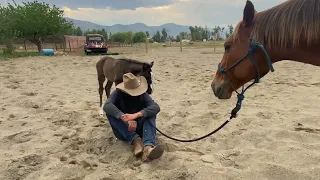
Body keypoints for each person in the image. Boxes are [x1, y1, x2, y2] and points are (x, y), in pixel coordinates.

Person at [103, 72, 164, 162]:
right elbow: (107, 106)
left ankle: (148, 147)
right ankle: (135, 141)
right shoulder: (117, 93)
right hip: (124, 130)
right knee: (111, 113)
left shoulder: (143, 94)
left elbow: (155, 107)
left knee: (150, 113)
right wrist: (125, 118)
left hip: (140, 127)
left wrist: (136, 115)